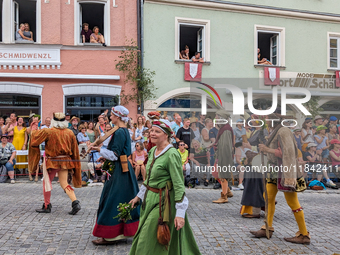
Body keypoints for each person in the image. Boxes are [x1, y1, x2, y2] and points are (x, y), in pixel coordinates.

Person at [128, 117, 201, 255]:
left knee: (147, 237)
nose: (152, 134)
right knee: (147, 236)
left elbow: (179, 184)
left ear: (166, 134)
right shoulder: (152, 151)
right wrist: (138, 197)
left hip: (163, 202)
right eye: (151, 131)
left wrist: (180, 214)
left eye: (157, 131)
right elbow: (148, 179)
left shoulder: (172, 154)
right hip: (149, 200)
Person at [251, 112, 310, 245]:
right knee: (268, 198)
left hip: (285, 172)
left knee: (293, 202)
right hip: (274, 171)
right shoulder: (274, 130)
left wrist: (267, 149)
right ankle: (267, 228)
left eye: (267, 118)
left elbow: (288, 153)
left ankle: (304, 234)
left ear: (273, 119)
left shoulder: (283, 131)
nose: (265, 120)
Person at [91, 106, 140, 245]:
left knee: (111, 200)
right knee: (122, 198)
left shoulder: (119, 132)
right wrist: (104, 157)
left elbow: (115, 155)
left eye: (111, 115)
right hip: (124, 169)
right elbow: (123, 152)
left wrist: (100, 150)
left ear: (117, 117)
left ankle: (108, 235)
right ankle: (120, 232)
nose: (110, 118)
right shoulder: (124, 131)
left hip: (119, 171)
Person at [29, 113, 82, 214]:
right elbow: (75, 149)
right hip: (65, 161)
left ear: (54, 121)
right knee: (64, 183)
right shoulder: (69, 132)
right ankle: (75, 202)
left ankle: (46, 205)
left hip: (52, 162)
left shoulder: (49, 131)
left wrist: (34, 125)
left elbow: (34, 138)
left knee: (46, 183)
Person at [212, 110, 234, 203]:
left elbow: (226, 146)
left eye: (217, 116)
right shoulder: (224, 128)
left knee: (222, 175)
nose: (216, 118)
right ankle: (227, 190)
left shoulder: (226, 129)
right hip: (220, 155)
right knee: (215, 173)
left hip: (223, 156)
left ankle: (224, 196)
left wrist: (224, 160)